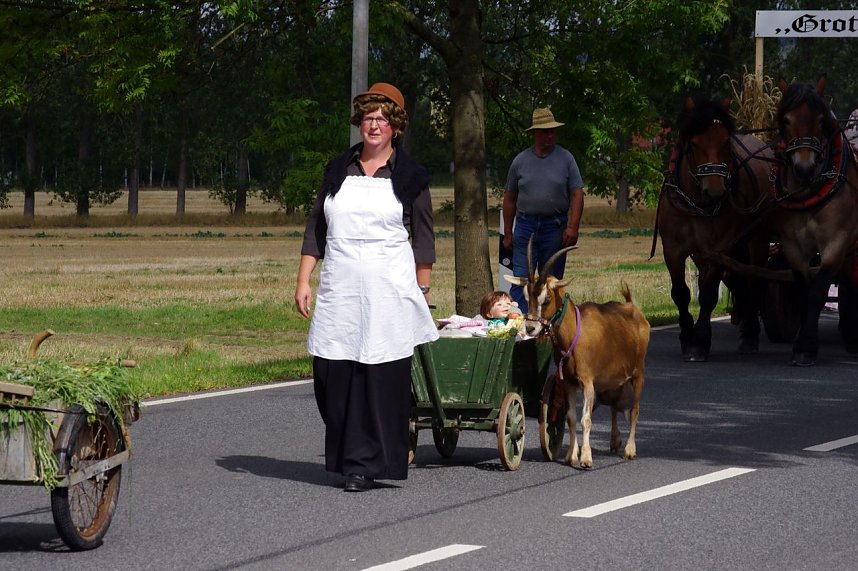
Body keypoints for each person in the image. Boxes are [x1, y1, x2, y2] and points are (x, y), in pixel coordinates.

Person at [294, 82, 439, 493]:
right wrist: (305, 279)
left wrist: (421, 292)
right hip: (340, 288)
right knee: (331, 373)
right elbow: (316, 229)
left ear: (396, 126)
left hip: (388, 291)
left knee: (377, 376)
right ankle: (347, 454)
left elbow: (424, 243)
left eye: (383, 119)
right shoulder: (338, 169)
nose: (374, 125)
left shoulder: (411, 177)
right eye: (368, 118)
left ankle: (366, 464)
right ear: (360, 123)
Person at [502, 107, 584, 313]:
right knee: (521, 280)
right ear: (534, 133)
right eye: (545, 131)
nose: (549, 135)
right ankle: (522, 328)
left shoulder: (566, 159)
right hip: (525, 226)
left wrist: (573, 227)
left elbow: (577, 194)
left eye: (552, 131)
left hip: (555, 226)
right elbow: (510, 198)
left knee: (551, 281)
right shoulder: (520, 161)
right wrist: (508, 233)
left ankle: (550, 327)